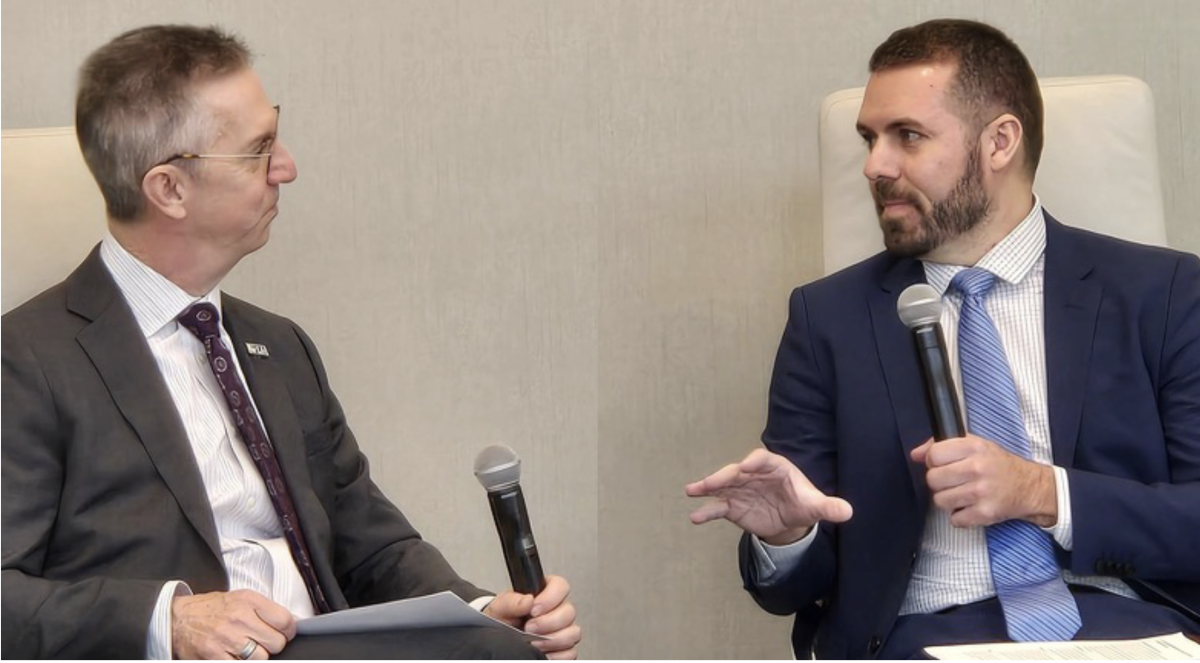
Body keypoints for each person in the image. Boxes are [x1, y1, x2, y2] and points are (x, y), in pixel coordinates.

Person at [1, 24, 581, 660]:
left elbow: (371, 546)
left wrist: (480, 614)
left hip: (331, 648)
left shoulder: (279, 346)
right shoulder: (27, 360)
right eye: (258, 151)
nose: (287, 167)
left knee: (513, 652)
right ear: (169, 189)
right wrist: (169, 620)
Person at [687, 18, 1200, 659]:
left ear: (999, 142)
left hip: (1129, 628)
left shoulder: (1165, 293)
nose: (874, 166)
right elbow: (798, 587)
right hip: (920, 635)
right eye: (869, 139)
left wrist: (1040, 492)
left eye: (908, 136)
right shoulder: (828, 318)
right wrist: (787, 536)